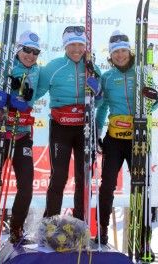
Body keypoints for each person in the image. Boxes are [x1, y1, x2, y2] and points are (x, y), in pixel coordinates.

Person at [0, 30, 43, 259]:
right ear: (18, 49)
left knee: (26, 185)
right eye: (27, 50)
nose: (31, 56)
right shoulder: (2, 69)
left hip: (22, 133)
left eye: (35, 52)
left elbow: (40, 93)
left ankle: (16, 229)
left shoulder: (38, 73)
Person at [94, 30, 158, 258]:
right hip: (114, 140)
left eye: (123, 50)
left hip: (139, 137)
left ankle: (143, 236)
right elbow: (101, 107)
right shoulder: (107, 78)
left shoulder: (141, 73)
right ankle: (101, 232)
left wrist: (152, 97)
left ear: (129, 52)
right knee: (107, 184)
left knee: (142, 187)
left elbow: (153, 105)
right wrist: (96, 132)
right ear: (110, 55)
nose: (120, 55)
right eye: (115, 52)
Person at [39, 26, 101, 221]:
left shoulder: (92, 68)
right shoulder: (53, 67)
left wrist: (97, 92)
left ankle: (80, 223)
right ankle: (50, 222)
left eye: (80, 44)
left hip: (85, 127)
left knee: (84, 178)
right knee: (59, 176)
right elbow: (34, 94)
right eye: (72, 44)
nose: (76, 49)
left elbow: (98, 102)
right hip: (61, 127)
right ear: (65, 46)